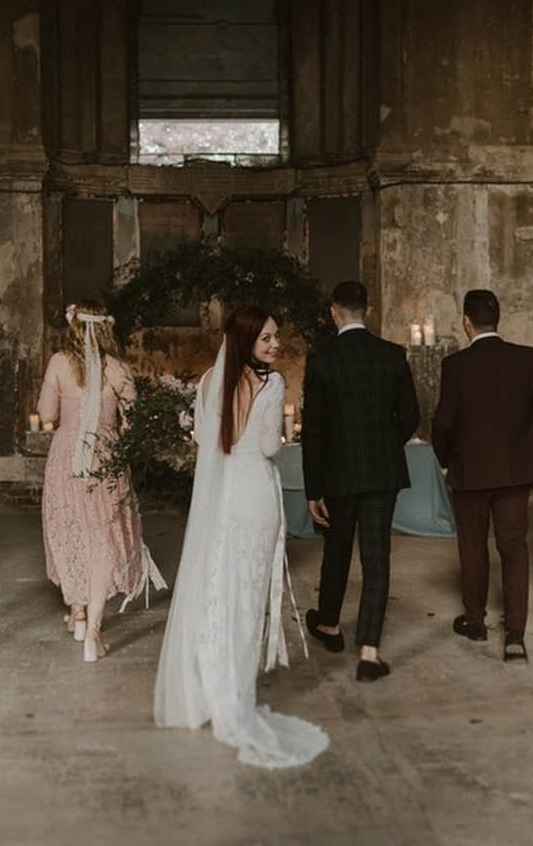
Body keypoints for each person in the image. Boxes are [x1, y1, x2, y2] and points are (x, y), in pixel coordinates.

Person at [154, 306, 329, 768]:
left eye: (277, 336)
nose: (276, 344)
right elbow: (271, 446)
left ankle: (209, 692)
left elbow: (204, 442)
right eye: (268, 338)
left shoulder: (212, 379)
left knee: (218, 589)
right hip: (254, 495)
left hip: (221, 496)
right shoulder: (271, 384)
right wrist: (285, 433)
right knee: (247, 597)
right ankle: (235, 697)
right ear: (248, 339)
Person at [301, 281, 420, 682]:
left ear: (333, 311)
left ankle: (330, 626)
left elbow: (313, 432)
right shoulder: (392, 355)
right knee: (377, 556)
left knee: (337, 549)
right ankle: (370, 651)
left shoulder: (321, 358)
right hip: (382, 472)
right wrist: (384, 445)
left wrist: (313, 489)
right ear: (367, 311)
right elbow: (410, 417)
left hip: (337, 472)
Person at [37, 300, 166, 663]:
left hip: (67, 455)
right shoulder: (119, 369)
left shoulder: (59, 363)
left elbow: (47, 414)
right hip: (106, 458)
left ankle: (77, 613)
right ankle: (92, 628)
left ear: (73, 325)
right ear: (106, 328)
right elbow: (133, 421)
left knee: (70, 528)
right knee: (102, 535)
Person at [432, 289, 533, 661]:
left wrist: (446, 462)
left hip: (469, 472)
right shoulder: (529, 360)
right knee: (514, 549)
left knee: (473, 547)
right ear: (498, 319)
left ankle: (474, 620)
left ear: (466, 322)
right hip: (514, 473)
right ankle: (515, 636)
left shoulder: (455, 365)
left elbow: (442, 424)